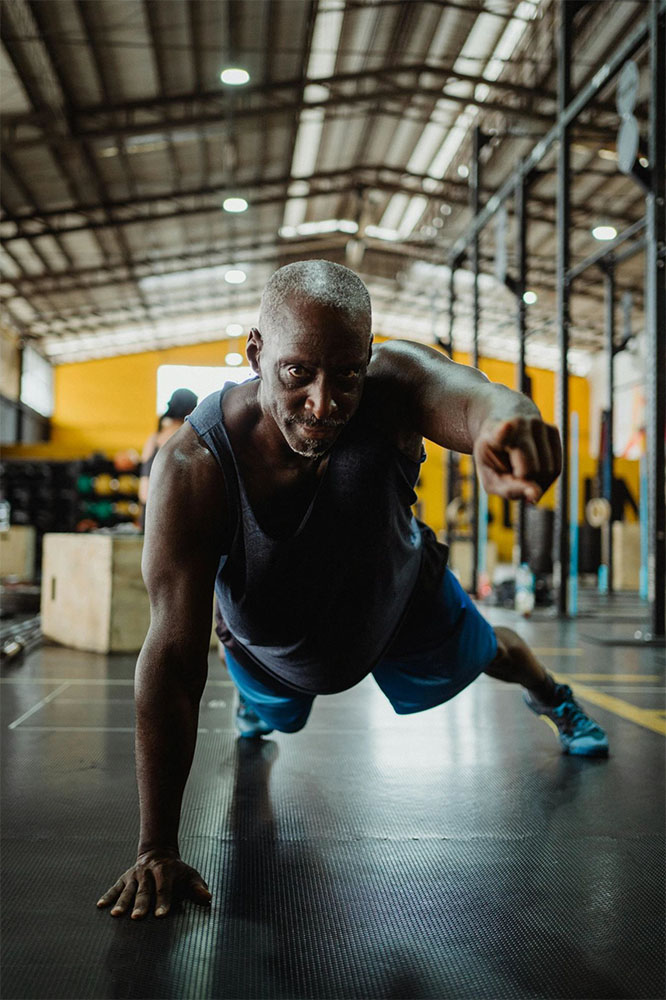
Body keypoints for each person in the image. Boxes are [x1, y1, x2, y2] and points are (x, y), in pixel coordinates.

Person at [97, 260, 609, 921]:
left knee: (498, 653)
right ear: (256, 353)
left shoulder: (390, 385)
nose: (323, 402)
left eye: (346, 375)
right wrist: (156, 845)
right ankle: (259, 705)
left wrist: (507, 421)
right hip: (273, 636)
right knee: (272, 709)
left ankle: (559, 702)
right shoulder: (193, 467)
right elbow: (169, 655)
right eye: (296, 374)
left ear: (367, 357)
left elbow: (465, 393)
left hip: (394, 593)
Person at [138, 388, 199, 509]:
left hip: (147, 506)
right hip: (167, 508)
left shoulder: (154, 437)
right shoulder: (185, 434)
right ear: (189, 409)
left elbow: (144, 477)